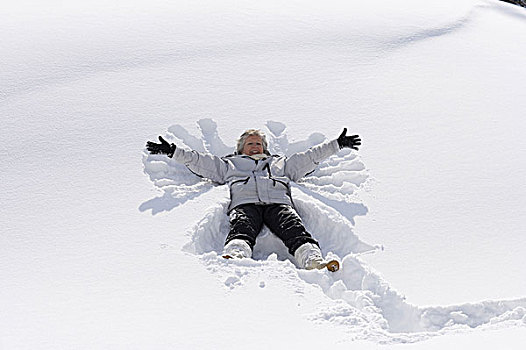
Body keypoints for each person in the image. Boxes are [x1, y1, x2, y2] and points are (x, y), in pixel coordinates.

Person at [146, 128, 361, 271]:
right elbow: (199, 161)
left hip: (278, 203)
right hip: (245, 204)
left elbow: (310, 157)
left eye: (258, 143)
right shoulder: (230, 165)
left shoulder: (280, 164)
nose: (255, 147)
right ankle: (236, 255)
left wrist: (337, 144)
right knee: (242, 225)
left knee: (293, 227)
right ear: (241, 149)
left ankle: (312, 260)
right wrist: (172, 151)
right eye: (250, 144)